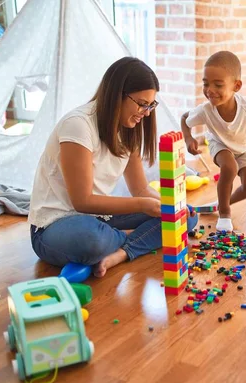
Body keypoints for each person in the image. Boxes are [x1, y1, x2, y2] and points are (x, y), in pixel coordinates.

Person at [28, 57, 198, 278]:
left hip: (100, 218)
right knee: (93, 240)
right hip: (55, 225)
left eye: (150, 105)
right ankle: (129, 236)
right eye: (141, 103)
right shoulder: (78, 125)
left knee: (186, 216)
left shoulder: (130, 129)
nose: (146, 112)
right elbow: (83, 201)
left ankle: (121, 253)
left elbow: (141, 190)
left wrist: (170, 205)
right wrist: (143, 206)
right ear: (117, 94)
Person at [181, 50, 246, 232]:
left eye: (218, 85)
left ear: (236, 86)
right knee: (229, 167)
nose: (210, 90)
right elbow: (185, 118)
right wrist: (188, 138)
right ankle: (225, 213)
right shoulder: (206, 109)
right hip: (219, 144)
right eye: (206, 84)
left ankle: (222, 203)